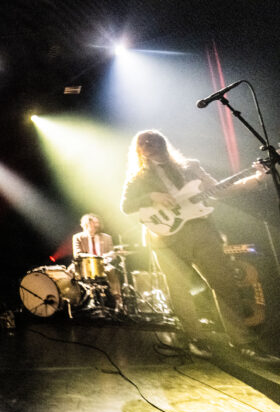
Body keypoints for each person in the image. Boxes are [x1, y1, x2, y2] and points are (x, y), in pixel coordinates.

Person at [120, 130, 270, 360]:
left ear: (163, 143)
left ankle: (242, 341)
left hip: (202, 231)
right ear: (138, 150)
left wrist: (257, 179)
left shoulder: (190, 166)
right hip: (164, 237)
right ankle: (195, 339)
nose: (150, 144)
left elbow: (221, 190)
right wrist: (151, 197)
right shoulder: (137, 178)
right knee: (179, 290)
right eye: (144, 142)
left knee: (224, 283)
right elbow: (126, 206)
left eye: (154, 140)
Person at [72, 213, 122, 309]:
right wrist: (93, 257)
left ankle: (117, 300)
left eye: (96, 223)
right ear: (85, 224)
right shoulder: (78, 237)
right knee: (70, 273)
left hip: (103, 265)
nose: (95, 225)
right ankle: (75, 302)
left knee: (112, 271)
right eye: (92, 223)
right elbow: (77, 254)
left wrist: (107, 258)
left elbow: (112, 254)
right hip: (84, 266)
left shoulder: (107, 237)